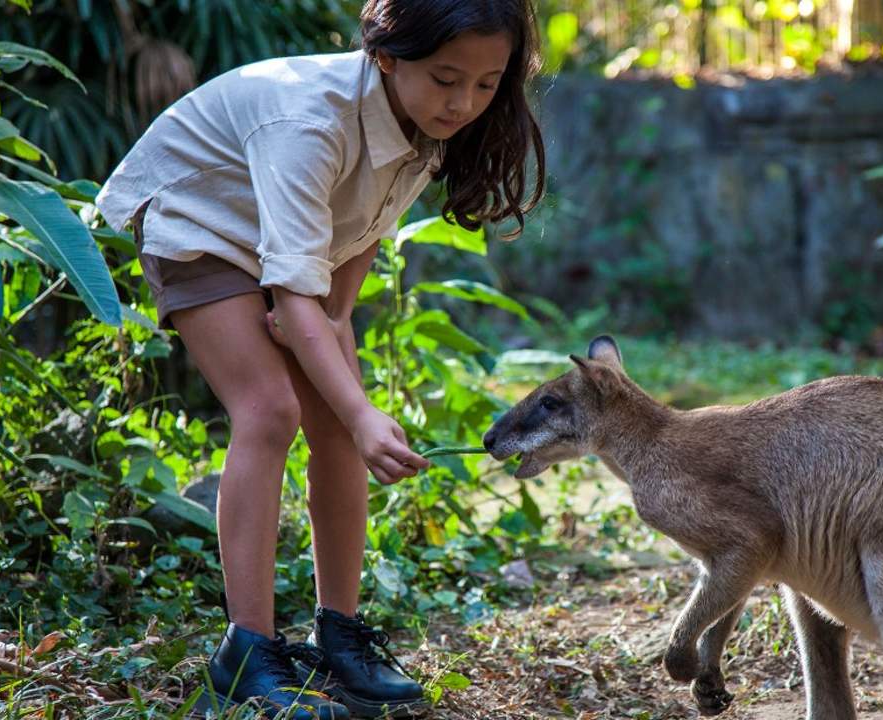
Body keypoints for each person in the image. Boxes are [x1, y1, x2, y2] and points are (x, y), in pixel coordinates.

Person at [94, 1, 546, 717]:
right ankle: (246, 650)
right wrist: (363, 406)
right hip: (200, 219)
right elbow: (292, 297)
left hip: (292, 255)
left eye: (487, 84)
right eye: (446, 78)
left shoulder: (422, 125)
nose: (463, 103)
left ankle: (339, 636)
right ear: (388, 56)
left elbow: (341, 267)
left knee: (336, 425)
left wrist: (351, 399)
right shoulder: (309, 122)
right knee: (269, 411)